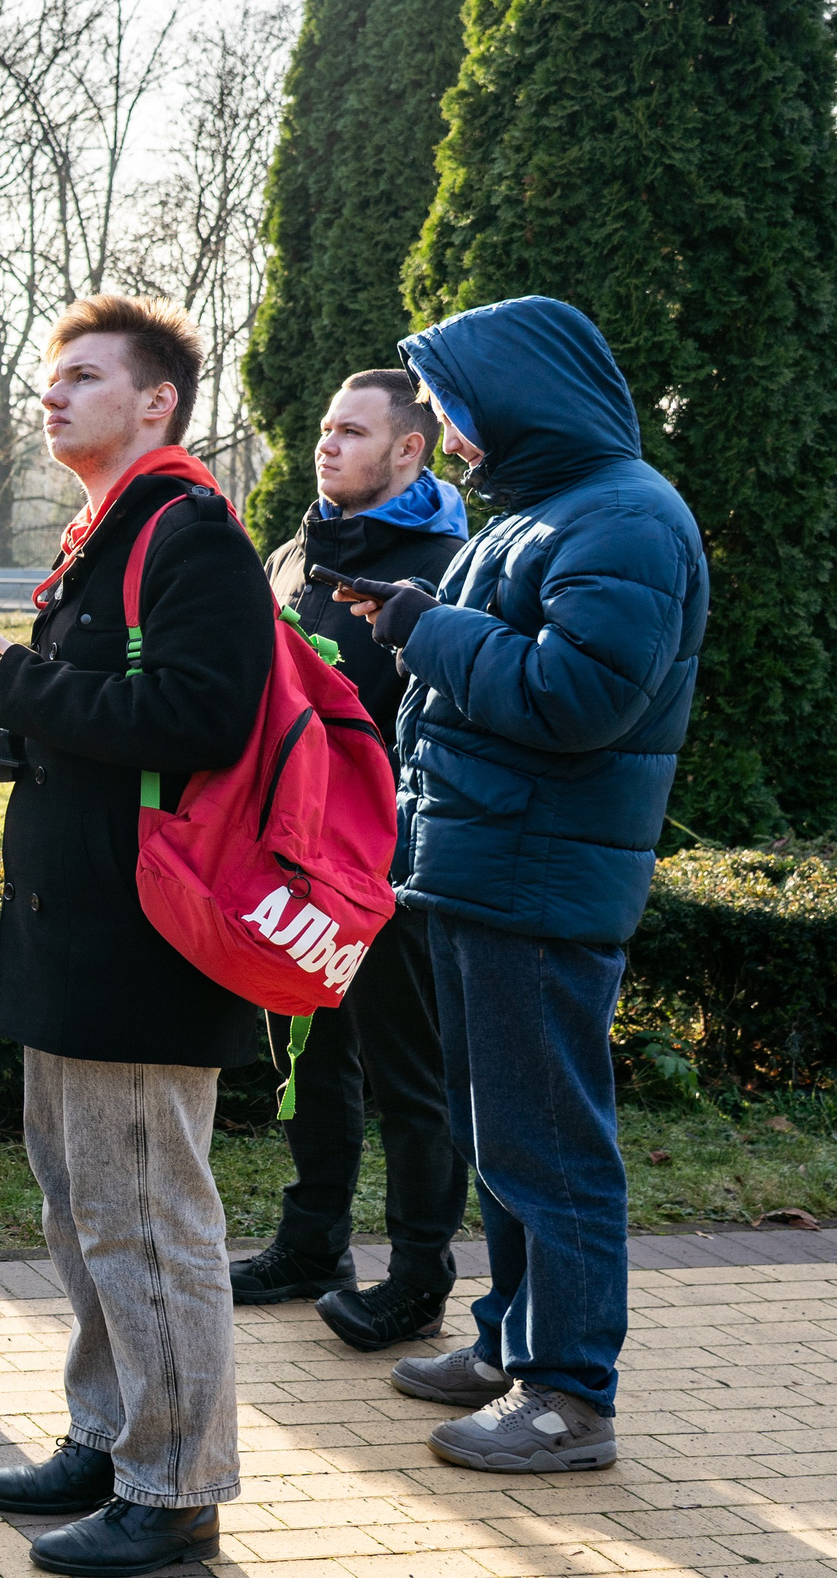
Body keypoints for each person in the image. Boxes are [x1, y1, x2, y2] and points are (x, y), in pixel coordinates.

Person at [0, 295, 272, 1576]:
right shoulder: (107, 535)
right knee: (84, 1208)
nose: (53, 394)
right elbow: (105, 720)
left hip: (145, 943)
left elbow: (201, 715)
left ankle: (174, 1485)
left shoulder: (189, 532)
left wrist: (18, 684)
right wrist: (10, 728)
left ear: (155, 401)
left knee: (144, 1215)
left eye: (83, 375)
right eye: (52, 376)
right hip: (78, 932)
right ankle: (108, 1434)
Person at [360, 296, 706, 1475]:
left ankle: (567, 1393)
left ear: (517, 399)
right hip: (482, 870)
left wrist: (425, 628)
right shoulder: (545, 512)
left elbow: (575, 697)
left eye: (455, 411)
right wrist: (415, 622)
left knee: (548, 1144)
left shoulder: (627, 519)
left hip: (538, 880)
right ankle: (512, 1344)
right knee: (499, 1133)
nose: (449, 437)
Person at [237, 369, 471, 1348]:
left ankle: (418, 1277)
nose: (326, 444)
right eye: (325, 427)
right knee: (308, 1055)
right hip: (293, 858)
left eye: (352, 432)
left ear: (410, 449)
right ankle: (311, 1245)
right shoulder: (293, 554)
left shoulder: (449, 563)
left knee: (410, 1074)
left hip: (389, 863)